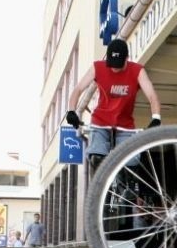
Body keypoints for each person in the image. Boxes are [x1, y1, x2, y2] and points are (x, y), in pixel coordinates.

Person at [65, 38, 161, 173]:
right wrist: (71, 111)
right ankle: (103, 189)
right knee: (96, 157)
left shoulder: (137, 71)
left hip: (125, 125)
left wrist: (156, 117)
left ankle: (126, 189)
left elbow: (152, 95)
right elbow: (78, 89)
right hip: (101, 122)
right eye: (112, 64)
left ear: (127, 58)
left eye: (118, 65)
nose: (115, 68)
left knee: (130, 163)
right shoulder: (98, 67)